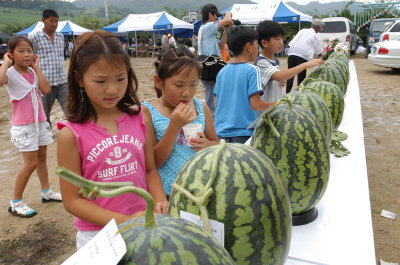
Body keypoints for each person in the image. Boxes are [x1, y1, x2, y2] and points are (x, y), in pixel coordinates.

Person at [56, 30, 168, 249]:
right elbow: (72, 200)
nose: (112, 89)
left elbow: (149, 170)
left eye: (120, 78)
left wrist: (160, 199)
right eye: (100, 80)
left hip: (143, 226)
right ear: (79, 79)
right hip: (98, 236)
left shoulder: (140, 116)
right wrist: (123, 221)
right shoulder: (70, 134)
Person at [142, 46, 218, 196]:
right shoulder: (148, 113)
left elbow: (216, 143)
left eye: (193, 84)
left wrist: (208, 145)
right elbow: (154, 163)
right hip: (169, 193)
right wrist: (174, 126)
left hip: (202, 189)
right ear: (158, 82)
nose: (187, 92)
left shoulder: (201, 108)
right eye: (179, 85)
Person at [0, 36, 62, 218]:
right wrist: (5, 63)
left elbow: (46, 89)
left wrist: (36, 67)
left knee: (41, 158)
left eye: (29, 51)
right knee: (30, 163)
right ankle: (16, 202)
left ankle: (46, 192)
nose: (26, 55)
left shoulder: (33, 71)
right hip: (24, 126)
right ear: (11, 54)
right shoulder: (10, 73)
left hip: (40, 122)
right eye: (21, 51)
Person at [214, 26, 275, 144]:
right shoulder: (253, 70)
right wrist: (277, 104)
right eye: (257, 45)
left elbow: (216, 102)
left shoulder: (222, 71)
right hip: (243, 133)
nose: (258, 49)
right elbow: (256, 105)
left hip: (220, 132)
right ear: (249, 46)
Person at [255, 20, 324, 102]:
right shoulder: (261, 62)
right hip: (265, 111)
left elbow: (277, 78)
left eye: (281, 38)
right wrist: (305, 64)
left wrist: (279, 83)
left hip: (274, 108)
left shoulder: (276, 61)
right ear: (264, 43)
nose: (281, 42)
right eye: (277, 39)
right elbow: (279, 76)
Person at [30, 9, 68, 127]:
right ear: (43, 21)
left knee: (71, 110)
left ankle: (78, 134)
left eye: (56, 21)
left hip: (62, 80)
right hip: (44, 83)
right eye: (51, 21)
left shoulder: (60, 36)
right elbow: (30, 57)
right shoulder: (35, 37)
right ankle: (47, 137)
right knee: (44, 114)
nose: (54, 24)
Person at [198, 3, 233, 115]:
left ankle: (212, 117)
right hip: (210, 67)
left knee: (213, 94)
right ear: (210, 15)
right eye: (216, 16)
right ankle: (210, 121)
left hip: (210, 66)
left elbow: (221, 46)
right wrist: (228, 13)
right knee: (211, 97)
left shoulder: (208, 31)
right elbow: (227, 20)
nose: (217, 18)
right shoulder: (208, 27)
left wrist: (226, 30)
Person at [286, 19, 325, 93]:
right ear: (318, 27)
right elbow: (319, 51)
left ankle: (287, 93)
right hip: (302, 56)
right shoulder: (315, 36)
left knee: (290, 76)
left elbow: (291, 43)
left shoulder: (302, 30)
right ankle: (299, 94)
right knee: (301, 77)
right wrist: (326, 52)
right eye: (321, 28)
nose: (321, 29)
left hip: (292, 53)